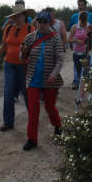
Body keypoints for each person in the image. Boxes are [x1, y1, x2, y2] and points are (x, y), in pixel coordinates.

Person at [20, 10, 64, 151]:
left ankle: (57, 126)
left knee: (50, 107)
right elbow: (22, 58)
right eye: (40, 21)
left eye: (45, 22)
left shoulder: (55, 38)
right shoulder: (29, 38)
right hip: (33, 79)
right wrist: (23, 52)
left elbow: (60, 59)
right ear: (36, 22)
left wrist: (54, 74)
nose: (42, 24)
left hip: (50, 80)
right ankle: (32, 139)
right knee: (33, 110)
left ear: (49, 23)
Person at [0, 4, 35, 132]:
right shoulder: (8, 28)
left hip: (24, 65)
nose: (17, 18)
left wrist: (26, 51)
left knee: (26, 94)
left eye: (19, 15)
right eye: (15, 16)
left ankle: (33, 121)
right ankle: (8, 122)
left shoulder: (30, 29)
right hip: (9, 64)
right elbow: (4, 47)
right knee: (8, 93)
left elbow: (34, 48)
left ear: (24, 16)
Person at [68, 11, 91, 92]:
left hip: (86, 52)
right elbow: (69, 39)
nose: (83, 22)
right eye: (82, 20)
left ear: (87, 19)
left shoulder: (89, 27)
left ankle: (85, 86)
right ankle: (78, 83)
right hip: (76, 52)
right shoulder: (74, 27)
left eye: (84, 20)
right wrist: (76, 41)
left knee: (86, 69)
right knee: (77, 69)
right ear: (79, 19)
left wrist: (87, 43)